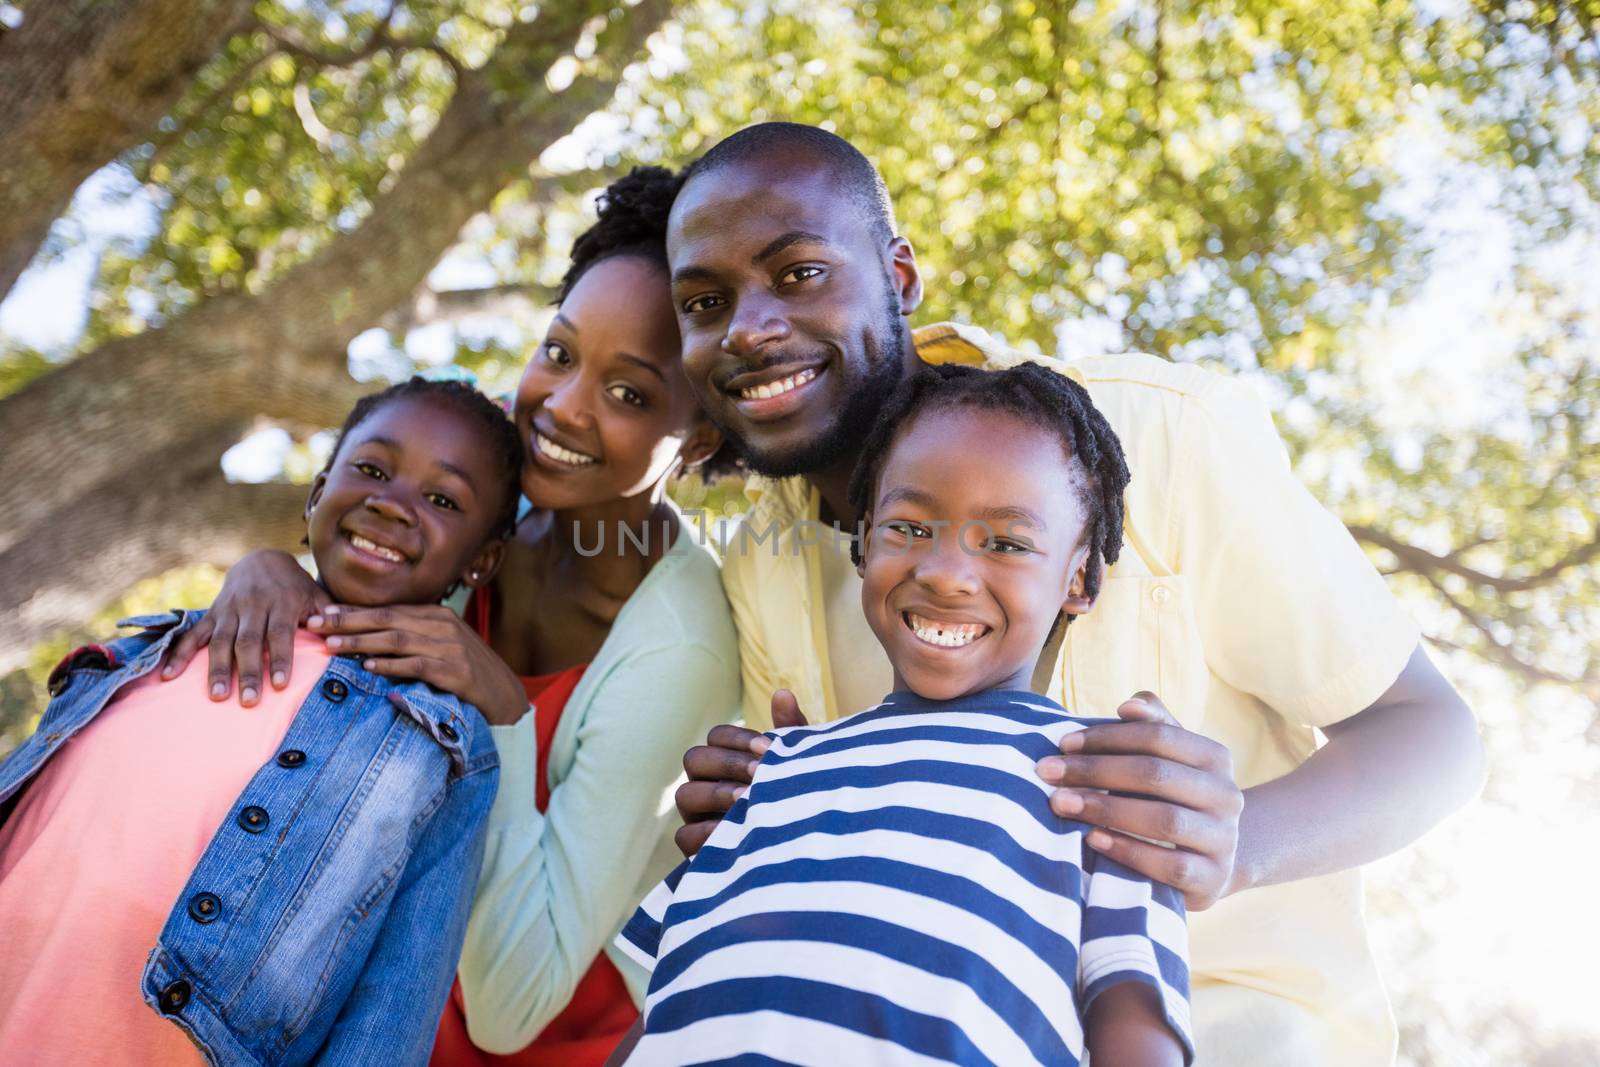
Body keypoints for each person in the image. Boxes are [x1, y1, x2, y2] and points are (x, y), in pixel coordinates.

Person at [666, 123, 1485, 1066]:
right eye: (704, 300)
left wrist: (1232, 838)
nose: (747, 326)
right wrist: (761, 810)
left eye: (799, 272)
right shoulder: (760, 558)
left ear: (898, 278)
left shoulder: (1160, 433)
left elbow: (1435, 732)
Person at [159, 167, 743, 1065]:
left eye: (628, 394)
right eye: (558, 352)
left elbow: (513, 1004)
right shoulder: (480, 506)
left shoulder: (678, 650)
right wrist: (274, 571)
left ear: (698, 437)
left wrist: (501, 713)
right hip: (349, 967)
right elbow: (354, 599)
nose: (564, 405)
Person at [612, 361, 1191, 1067]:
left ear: (1080, 577)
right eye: (910, 527)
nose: (946, 571)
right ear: (864, 542)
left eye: (1006, 543)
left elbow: (1135, 1020)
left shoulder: (1099, 787)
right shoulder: (774, 766)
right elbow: (672, 994)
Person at [0, 376, 517, 1065]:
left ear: (481, 559)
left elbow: (398, 995)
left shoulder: (439, 743)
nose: (392, 505)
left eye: (443, 498)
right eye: (370, 469)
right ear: (316, 494)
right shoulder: (160, 647)